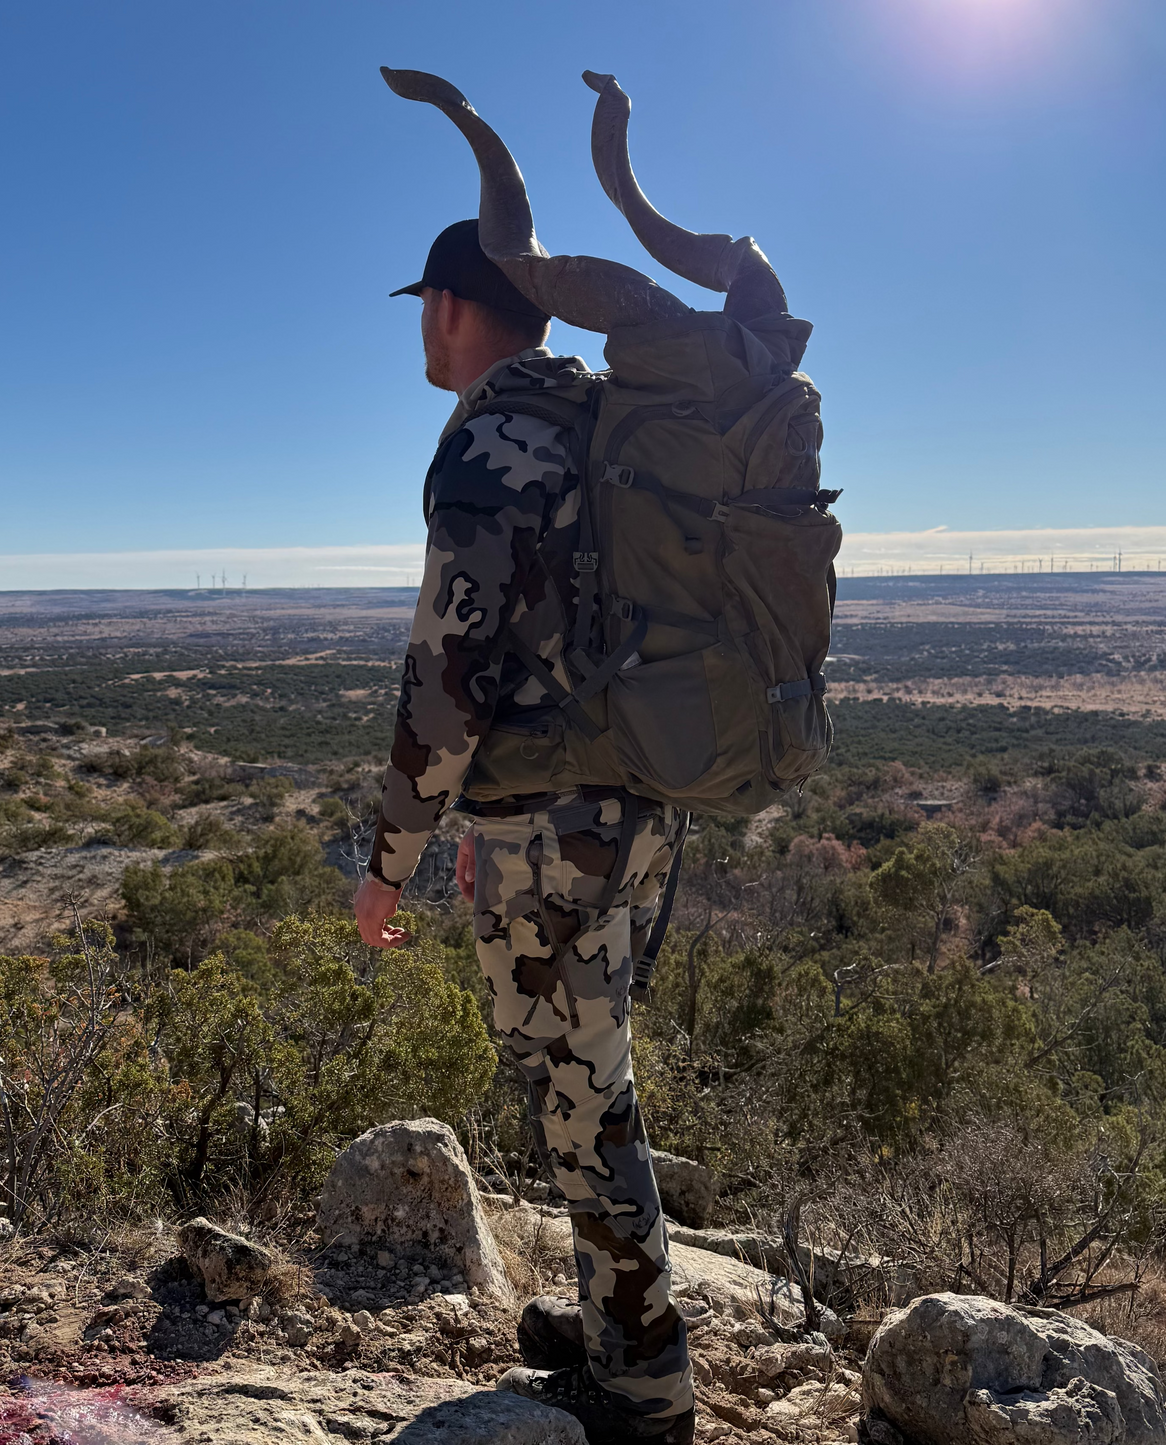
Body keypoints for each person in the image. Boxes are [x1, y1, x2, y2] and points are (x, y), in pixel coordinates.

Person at [353, 218, 694, 1445]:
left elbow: (445, 681)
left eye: (423, 307)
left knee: (576, 1091)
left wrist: (385, 861)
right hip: (631, 801)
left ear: (447, 305)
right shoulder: (596, 415)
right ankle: (621, 1327)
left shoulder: (491, 443)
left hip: (555, 828)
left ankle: (644, 1386)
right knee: (589, 1076)